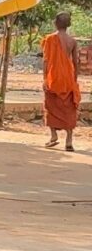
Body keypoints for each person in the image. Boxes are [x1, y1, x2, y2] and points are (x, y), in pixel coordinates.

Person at [42, 12, 80, 152]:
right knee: (69, 109)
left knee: (51, 105)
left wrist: (45, 78)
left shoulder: (50, 39)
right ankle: (69, 140)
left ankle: (53, 136)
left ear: (56, 23)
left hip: (53, 78)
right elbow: (75, 62)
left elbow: (46, 61)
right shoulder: (72, 41)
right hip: (68, 78)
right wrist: (74, 80)